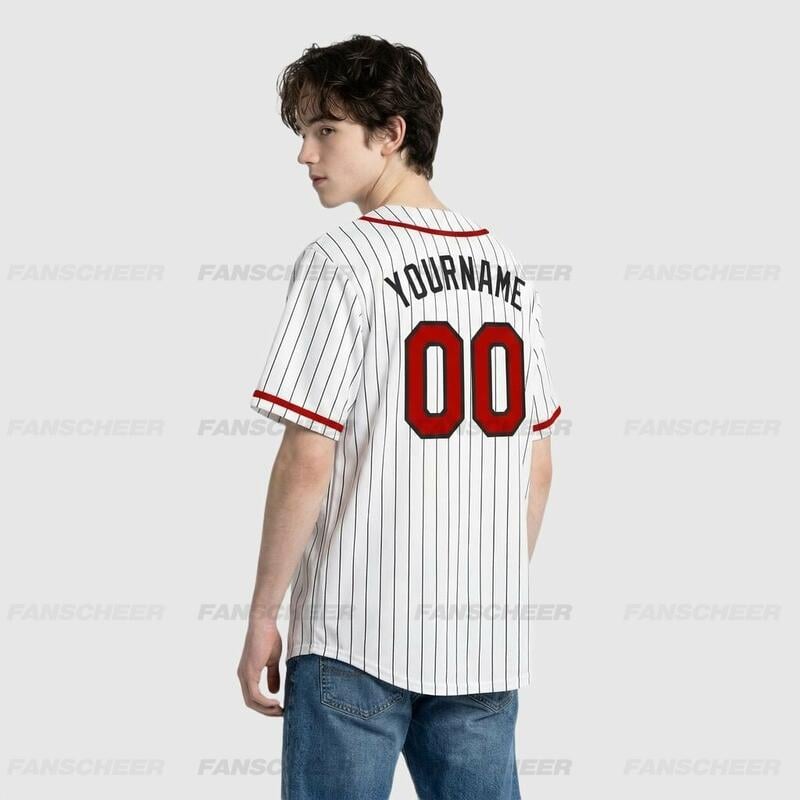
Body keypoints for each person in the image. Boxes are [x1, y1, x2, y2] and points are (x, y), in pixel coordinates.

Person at [237, 33, 562, 800]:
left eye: (326, 130)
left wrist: (262, 614)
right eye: (304, 132)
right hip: (482, 642)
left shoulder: (340, 261)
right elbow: (538, 465)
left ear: (391, 133)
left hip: (353, 635)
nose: (306, 154)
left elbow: (308, 455)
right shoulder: (508, 266)